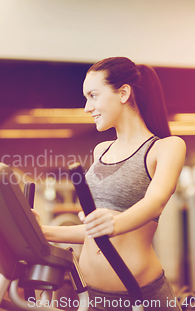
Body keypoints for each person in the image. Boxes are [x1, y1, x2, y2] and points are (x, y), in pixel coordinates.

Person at [36, 57, 186, 311]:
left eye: (93, 95)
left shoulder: (166, 147)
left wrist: (115, 222)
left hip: (141, 296)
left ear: (124, 93)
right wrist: (43, 231)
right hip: (90, 295)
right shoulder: (101, 151)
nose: (87, 107)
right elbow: (97, 233)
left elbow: (155, 202)